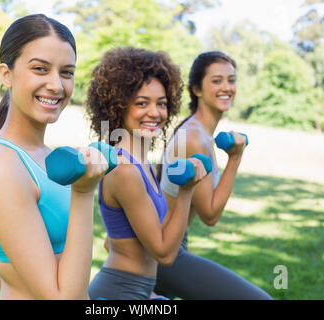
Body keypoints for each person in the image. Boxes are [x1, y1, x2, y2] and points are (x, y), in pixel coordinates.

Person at [0, 14, 108, 300]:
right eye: (40, 69)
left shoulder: (40, 157)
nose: (57, 85)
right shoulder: (1, 167)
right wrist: (83, 193)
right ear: (6, 74)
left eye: (66, 72)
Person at [85, 47, 208, 300]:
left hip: (140, 292)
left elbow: (120, 240)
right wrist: (186, 190)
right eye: (142, 103)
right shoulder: (124, 169)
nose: (155, 113)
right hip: (118, 293)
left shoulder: (143, 164)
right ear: (117, 106)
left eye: (161, 104)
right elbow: (164, 253)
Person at [155, 51, 272, 299]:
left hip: (171, 245)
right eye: (216, 81)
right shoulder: (195, 138)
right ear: (197, 89)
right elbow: (210, 214)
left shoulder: (200, 133)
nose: (227, 87)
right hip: (163, 254)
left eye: (231, 80)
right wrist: (235, 158)